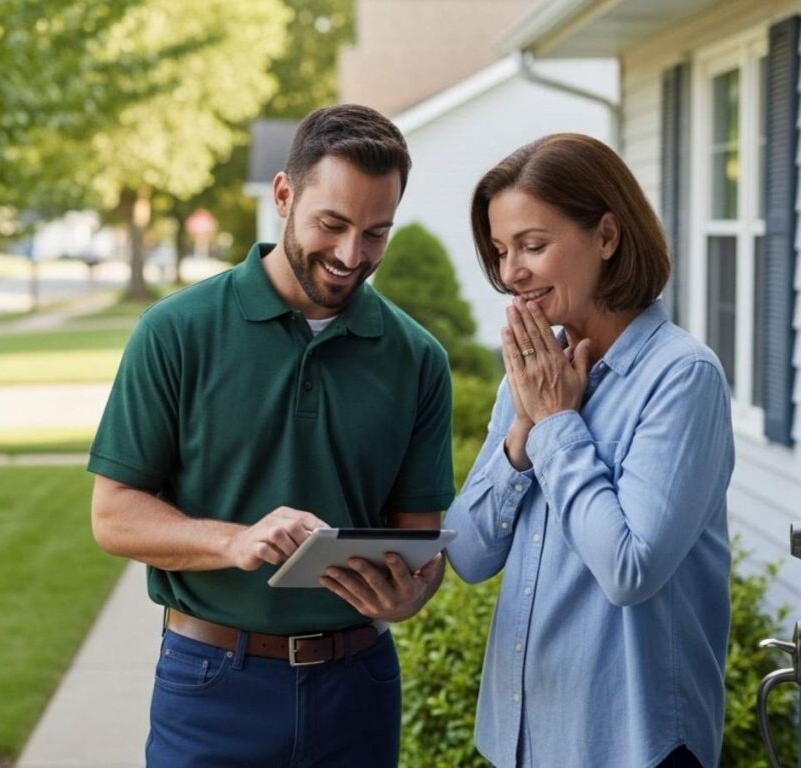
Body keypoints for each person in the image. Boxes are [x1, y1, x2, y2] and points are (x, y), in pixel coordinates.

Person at [88, 104, 454, 767]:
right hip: (210, 686)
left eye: (376, 233)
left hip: (358, 687)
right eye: (332, 224)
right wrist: (236, 540)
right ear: (283, 196)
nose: (351, 255)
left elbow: (420, 541)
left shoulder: (417, 357)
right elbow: (114, 516)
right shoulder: (176, 332)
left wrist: (412, 593)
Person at [445, 133, 733, 768]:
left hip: (631, 746)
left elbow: (630, 568)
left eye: (533, 245)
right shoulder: (530, 375)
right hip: (519, 740)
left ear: (606, 236)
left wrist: (554, 427)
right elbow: (465, 552)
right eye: (500, 251)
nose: (510, 273)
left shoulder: (682, 377)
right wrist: (521, 436)